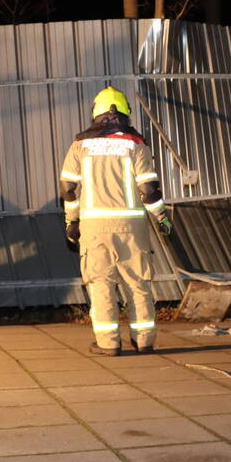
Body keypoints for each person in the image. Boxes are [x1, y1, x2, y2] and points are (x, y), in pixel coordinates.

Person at [59, 86, 172, 356]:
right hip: (131, 228)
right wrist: (162, 219)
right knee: (138, 283)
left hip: (94, 228)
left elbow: (68, 189)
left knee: (101, 285)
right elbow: (149, 191)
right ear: (124, 113)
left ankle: (108, 343)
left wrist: (71, 222)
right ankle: (144, 340)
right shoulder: (136, 145)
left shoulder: (79, 146)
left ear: (96, 113)